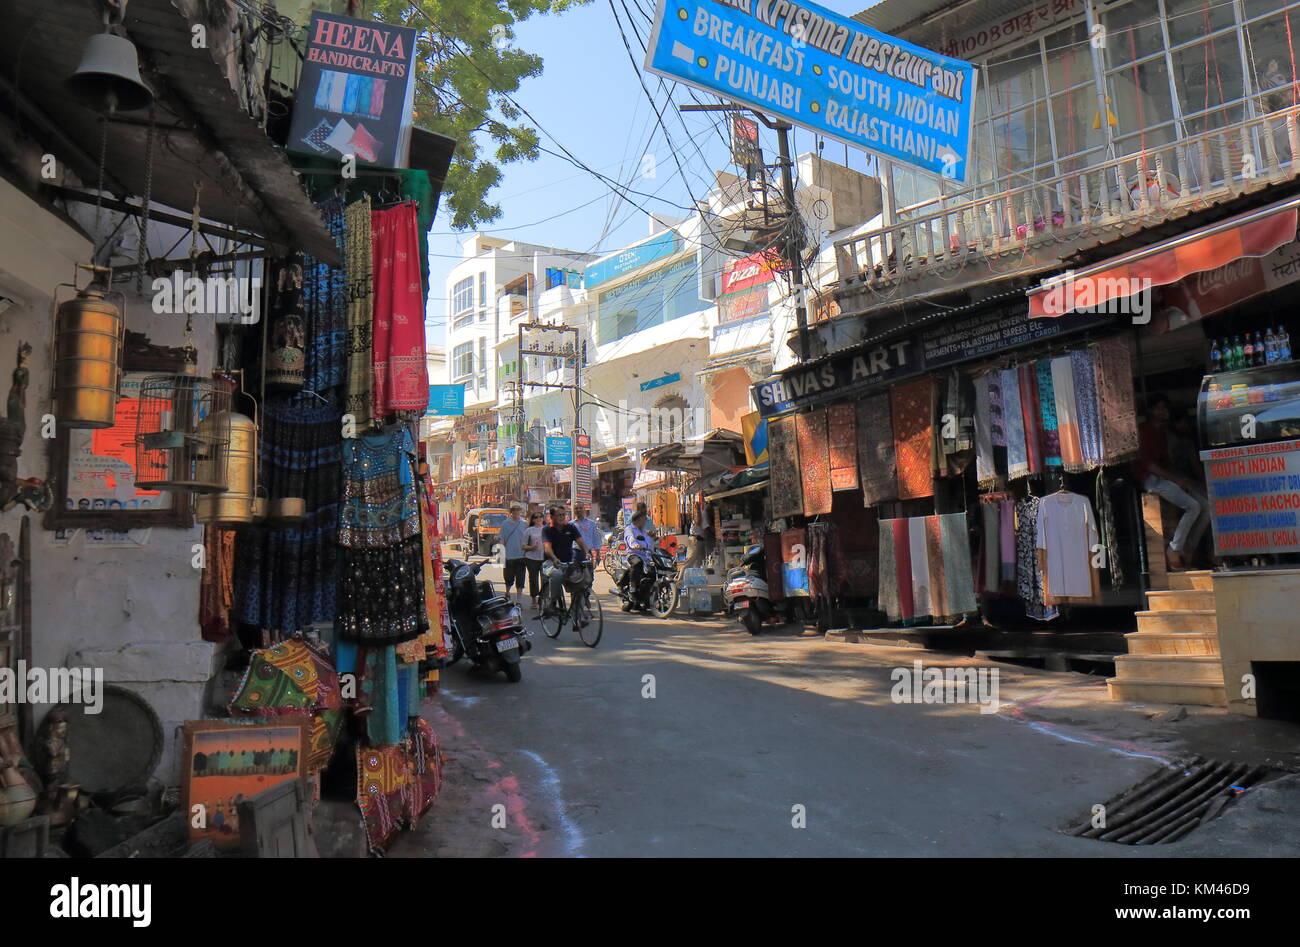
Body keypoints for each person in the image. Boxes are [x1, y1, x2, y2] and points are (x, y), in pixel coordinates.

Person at [1134, 394, 1212, 570]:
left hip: (1164, 477)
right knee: (1193, 506)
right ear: (1150, 410)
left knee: (1206, 506)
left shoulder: (1162, 432)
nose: (1163, 412)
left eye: (1164, 408)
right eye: (1159, 408)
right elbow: (1149, 465)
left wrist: (1184, 479)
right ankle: (1174, 549)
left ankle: (1188, 551)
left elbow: (1166, 463)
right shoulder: (1143, 431)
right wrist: (1176, 479)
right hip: (1150, 479)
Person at [541, 505, 587, 614]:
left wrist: (587, 553)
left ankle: (577, 613)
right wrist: (554, 558)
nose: (562, 517)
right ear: (552, 517)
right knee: (556, 575)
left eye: (563, 515)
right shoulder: (547, 529)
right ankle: (551, 603)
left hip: (568, 563)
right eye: (559, 515)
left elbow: (581, 542)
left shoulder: (570, 527)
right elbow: (547, 547)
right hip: (551, 562)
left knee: (580, 580)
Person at [621, 511, 655, 605]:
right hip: (633, 554)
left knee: (655, 569)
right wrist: (635, 545)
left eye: (645, 520)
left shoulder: (644, 531)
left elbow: (650, 543)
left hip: (646, 555)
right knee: (637, 563)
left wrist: (654, 547)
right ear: (636, 520)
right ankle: (632, 589)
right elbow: (630, 539)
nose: (644, 522)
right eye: (643, 520)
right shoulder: (629, 529)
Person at [498, 503, 529, 604]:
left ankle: (519, 599)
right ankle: (507, 592)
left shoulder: (524, 524)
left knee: (520, 578)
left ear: (520, 511)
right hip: (509, 555)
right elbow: (501, 538)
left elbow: (528, 538)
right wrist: (502, 553)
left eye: (517, 510)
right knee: (508, 577)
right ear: (511, 512)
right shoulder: (505, 524)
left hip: (521, 555)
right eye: (514, 510)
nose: (516, 512)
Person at [522, 511, 546, 608]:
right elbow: (523, 546)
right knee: (533, 579)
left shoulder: (547, 529)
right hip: (531, 558)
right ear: (533, 519)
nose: (538, 519)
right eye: (536, 517)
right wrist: (531, 547)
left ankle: (543, 599)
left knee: (545, 579)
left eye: (540, 516)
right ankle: (534, 600)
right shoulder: (529, 530)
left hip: (544, 558)